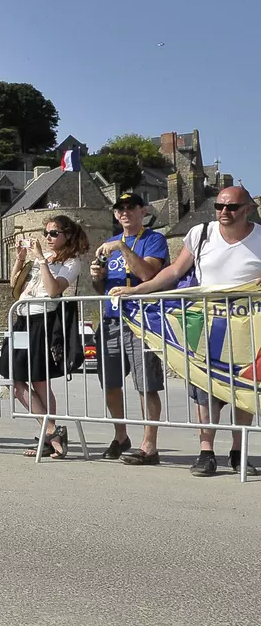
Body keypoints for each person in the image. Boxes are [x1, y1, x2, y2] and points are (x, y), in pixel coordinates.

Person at [111, 186, 261, 477]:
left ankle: (238, 451)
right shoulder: (200, 233)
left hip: (247, 324)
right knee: (203, 389)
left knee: (243, 389)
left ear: (248, 209)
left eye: (231, 207)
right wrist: (138, 290)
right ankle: (206, 452)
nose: (224, 212)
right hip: (205, 321)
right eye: (219, 206)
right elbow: (174, 271)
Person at [89, 193, 169, 465]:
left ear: (142, 211)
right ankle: (120, 436)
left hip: (142, 321)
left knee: (146, 385)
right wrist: (97, 277)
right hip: (111, 319)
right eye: (120, 209)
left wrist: (122, 248)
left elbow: (148, 274)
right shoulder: (109, 244)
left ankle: (149, 445)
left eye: (130, 207)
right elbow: (102, 289)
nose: (124, 212)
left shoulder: (154, 240)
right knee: (110, 383)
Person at [7, 215, 88, 459]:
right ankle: (52, 432)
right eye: (46, 233)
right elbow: (14, 287)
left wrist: (41, 259)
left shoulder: (72, 262)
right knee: (16, 381)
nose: (48, 237)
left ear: (67, 235)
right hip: (22, 319)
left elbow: (53, 290)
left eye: (54, 233)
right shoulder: (42, 259)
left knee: (40, 381)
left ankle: (50, 436)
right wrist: (20, 259)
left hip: (42, 320)